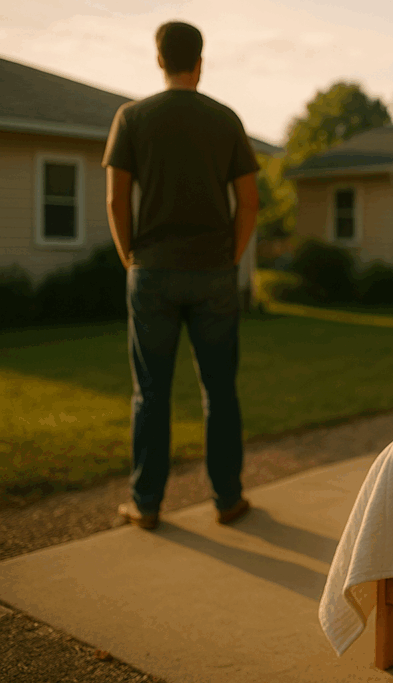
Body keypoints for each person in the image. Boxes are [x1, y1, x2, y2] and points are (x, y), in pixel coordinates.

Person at [102, 21, 261, 530]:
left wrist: (131, 257)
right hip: (214, 271)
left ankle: (146, 504)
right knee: (220, 391)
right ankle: (228, 499)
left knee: (151, 392)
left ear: (158, 59)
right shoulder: (225, 119)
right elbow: (250, 201)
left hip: (152, 272)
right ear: (200, 61)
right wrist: (231, 257)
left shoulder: (131, 117)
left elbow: (115, 197)